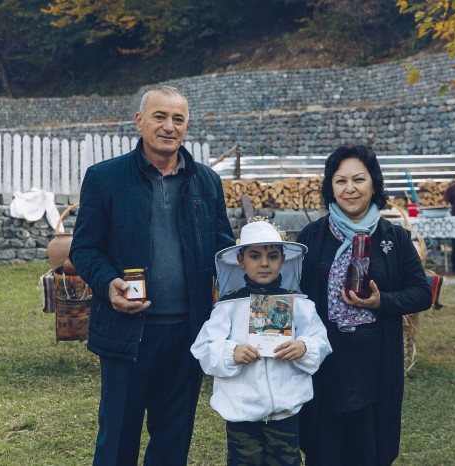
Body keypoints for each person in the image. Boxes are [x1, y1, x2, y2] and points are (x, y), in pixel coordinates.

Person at [69, 85, 236, 466]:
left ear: (186, 125)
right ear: (140, 121)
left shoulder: (207, 182)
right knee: (117, 440)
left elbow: (223, 250)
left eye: (178, 119)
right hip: (128, 333)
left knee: (172, 442)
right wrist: (108, 282)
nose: (169, 126)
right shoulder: (105, 178)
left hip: (187, 333)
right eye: (160, 116)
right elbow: (84, 249)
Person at [297, 143, 433, 466]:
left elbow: (421, 293)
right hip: (325, 368)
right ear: (330, 187)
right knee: (324, 452)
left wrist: (380, 301)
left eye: (359, 180)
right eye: (341, 181)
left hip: (375, 367)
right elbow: (293, 294)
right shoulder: (312, 236)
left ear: (374, 183)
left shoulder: (395, 239)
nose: (350, 189)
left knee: (370, 453)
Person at [191, 220, 331, 466]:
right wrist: (231, 353)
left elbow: (321, 341)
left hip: (286, 412)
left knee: (286, 461)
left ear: (283, 259)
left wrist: (304, 347)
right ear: (241, 261)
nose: (264, 263)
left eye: (272, 256)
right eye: (255, 256)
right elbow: (203, 348)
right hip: (242, 411)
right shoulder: (228, 307)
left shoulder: (300, 304)